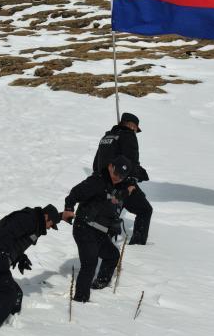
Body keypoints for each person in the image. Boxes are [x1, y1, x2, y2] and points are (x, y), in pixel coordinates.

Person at [0, 204, 62, 336]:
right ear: (46, 217)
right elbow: (6, 234)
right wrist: (4, 255)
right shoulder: (28, 219)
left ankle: (11, 322)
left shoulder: (35, 223)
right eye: (51, 224)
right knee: (9, 294)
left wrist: (20, 257)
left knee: (17, 294)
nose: (50, 227)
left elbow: (16, 241)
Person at [63, 156, 135, 302]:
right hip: (84, 228)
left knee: (112, 255)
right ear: (110, 166)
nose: (117, 178)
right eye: (116, 173)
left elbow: (124, 189)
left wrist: (128, 189)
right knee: (90, 263)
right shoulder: (96, 181)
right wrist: (69, 209)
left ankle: (100, 285)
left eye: (122, 176)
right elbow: (74, 193)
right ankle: (80, 299)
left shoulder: (119, 184)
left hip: (99, 232)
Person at [92, 112, 153, 245]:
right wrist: (134, 179)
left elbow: (96, 164)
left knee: (108, 218)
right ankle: (138, 245)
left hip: (102, 184)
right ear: (131, 126)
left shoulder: (106, 137)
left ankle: (101, 246)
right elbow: (132, 162)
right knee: (145, 210)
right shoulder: (129, 136)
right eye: (136, 129)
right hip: (122, 183)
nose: (135, 132)